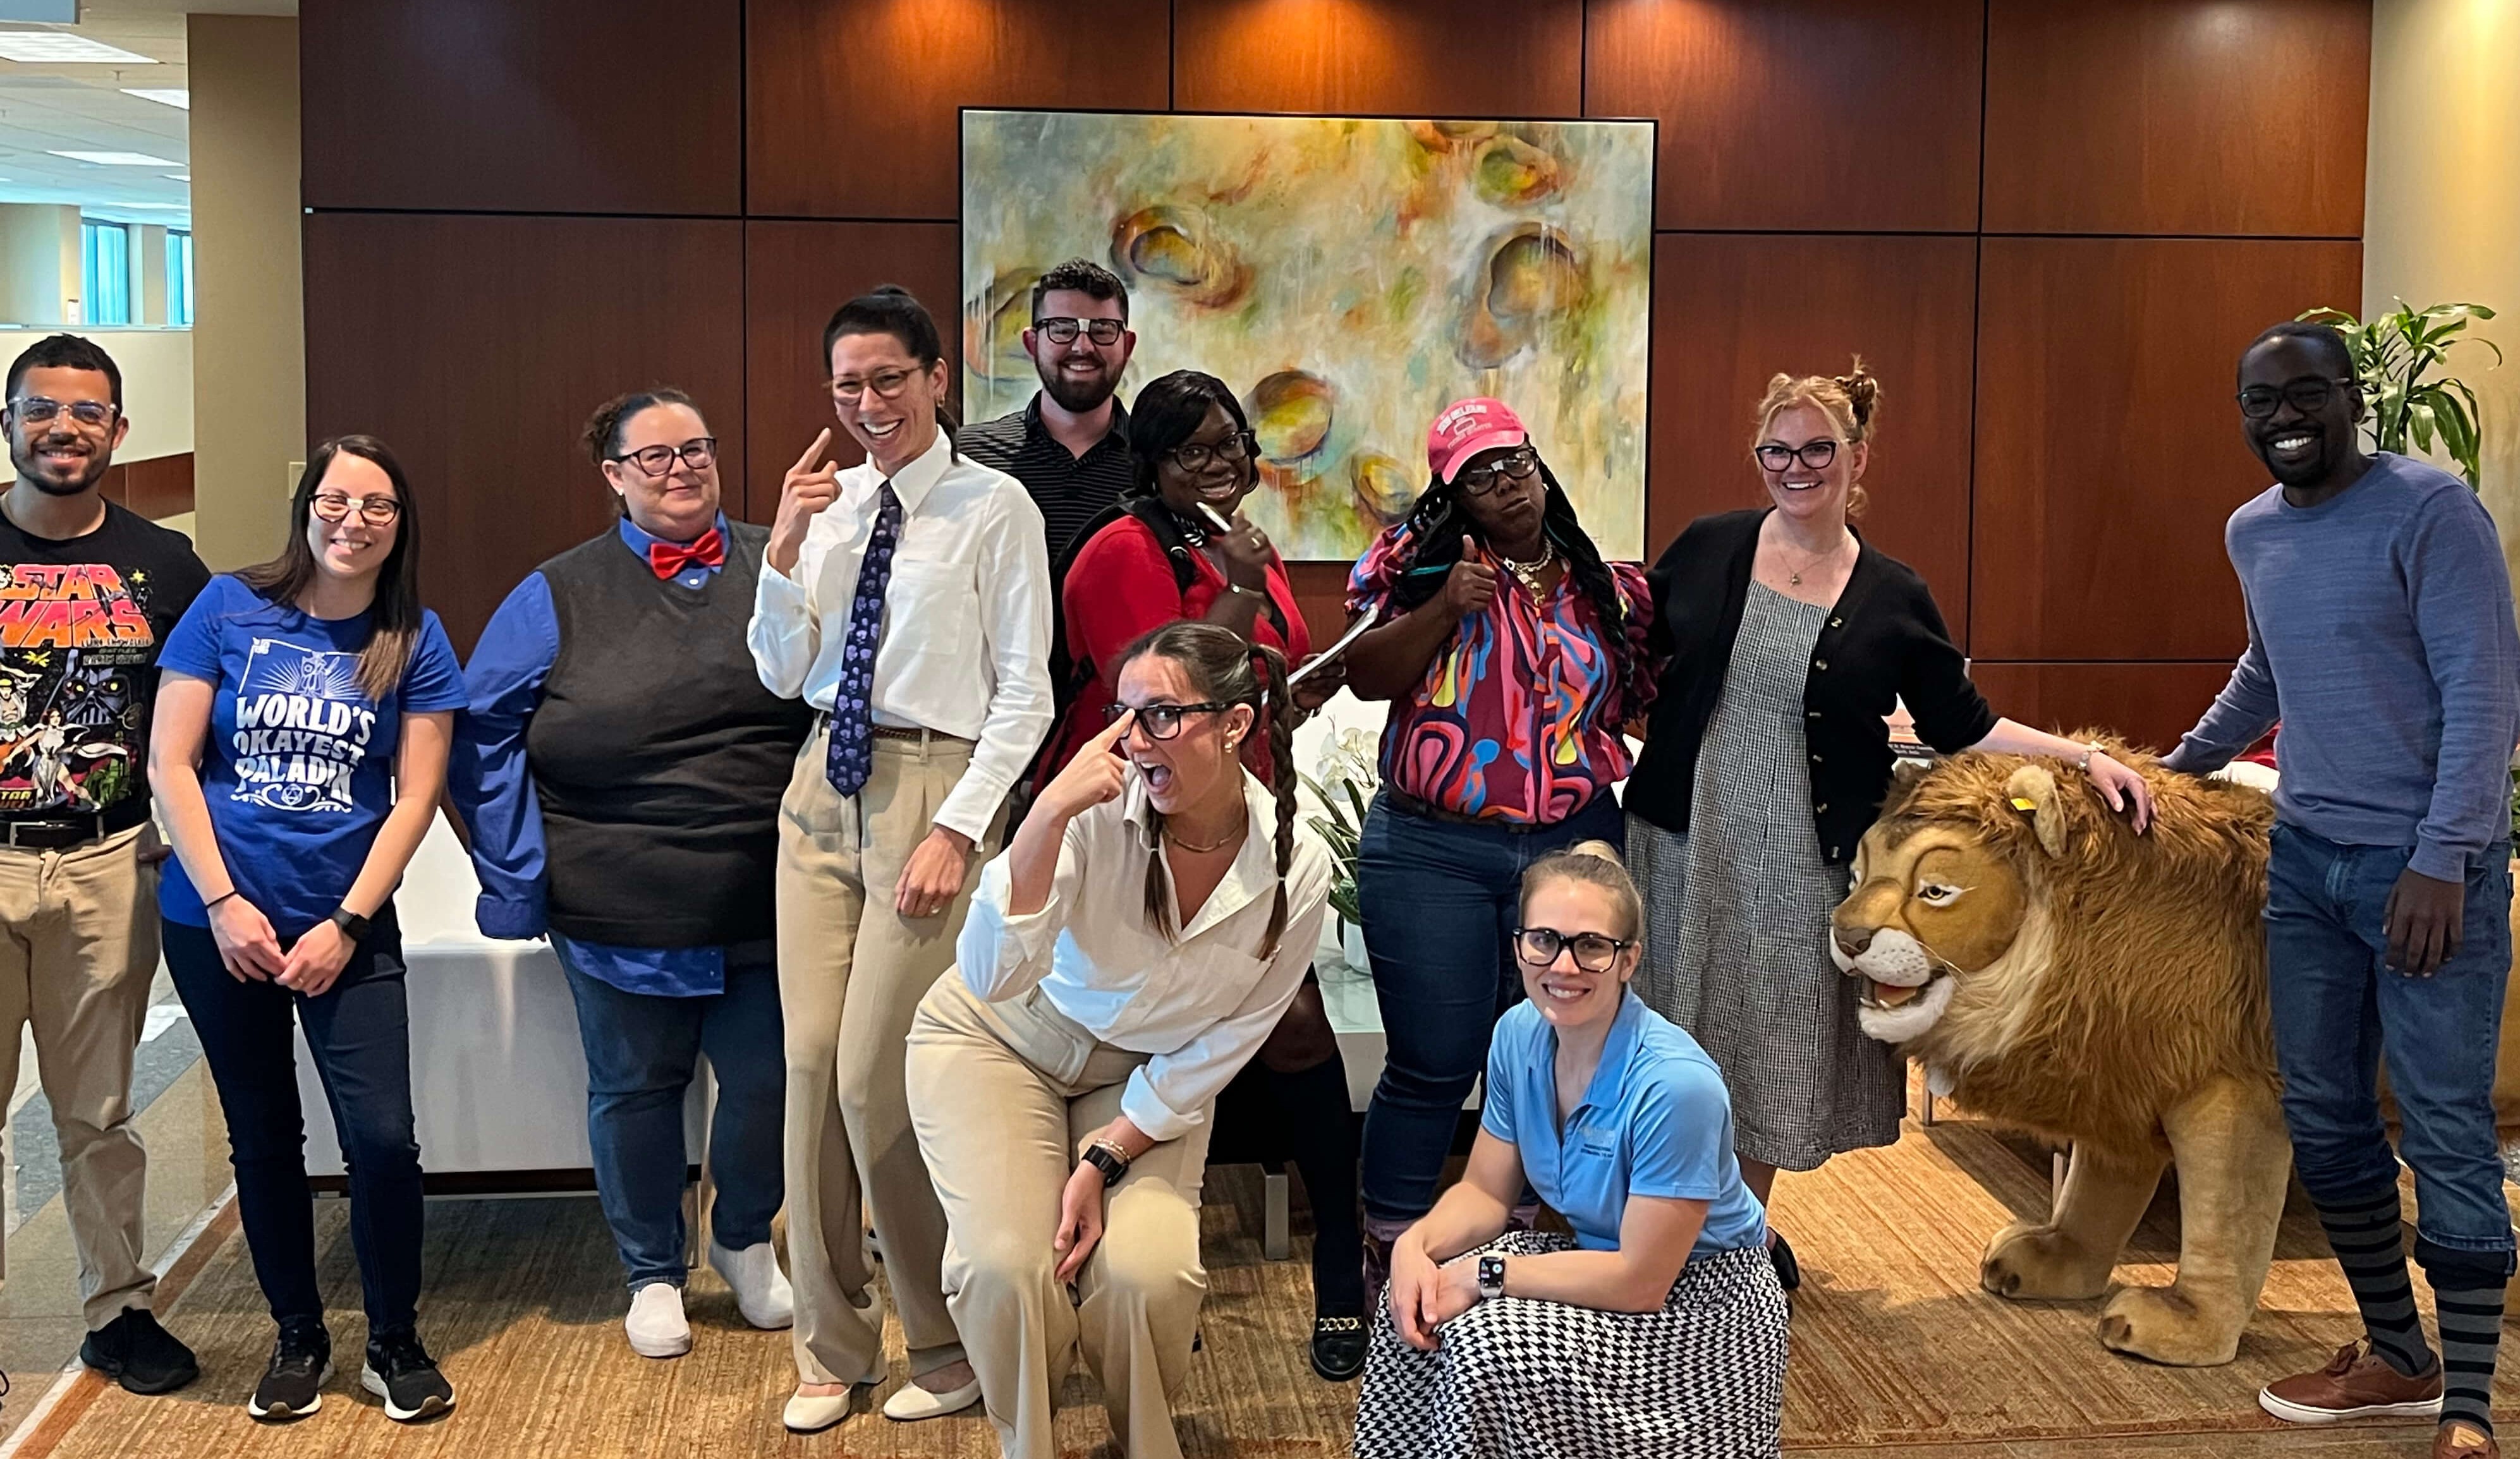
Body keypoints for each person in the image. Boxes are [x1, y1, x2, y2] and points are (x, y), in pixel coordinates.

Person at [1622, 362, 2153, 1288]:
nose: (1795, 467)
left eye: (1816, 449)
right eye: (1777, 450)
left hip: (1804, 855)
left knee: (1772, 1041)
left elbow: (1962, 723)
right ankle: (1677, 1233)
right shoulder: (1707, 545)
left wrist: (2081, 757)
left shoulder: (1893, 594)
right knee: (1672, 1034)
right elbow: (1627, 651)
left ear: (1856, 457)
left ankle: (1732, 1243)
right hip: (1683, 840)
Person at [2161, 322, 2519, 1459]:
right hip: (2305, 865)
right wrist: (2172, 771)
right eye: (2259, 401)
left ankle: (2467, 1402)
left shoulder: (2431, 512)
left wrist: (2442, 856)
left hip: (2426, 875)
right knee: (2320, 1116)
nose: (2283, 417)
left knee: (2445, 1126)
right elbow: (2265, 670)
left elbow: (2483, 691)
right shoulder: (2252, 530)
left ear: (2352, 396)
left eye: (2305, 393)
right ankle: (2395, 1355)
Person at [904, 620, 1331, 1459]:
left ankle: (1146, 1444)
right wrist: (1047, 812)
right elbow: (991, 974)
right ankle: (1026, 1444)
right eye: (1123, 714)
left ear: (1234, 725)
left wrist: (1105, 1158)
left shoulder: (1296, 863)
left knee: (1147, 1273)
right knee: (1006, 1267)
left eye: (1161, 715)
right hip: (997, 1040)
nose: (1133, 740)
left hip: (1147, 1075)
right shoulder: (1091, 814)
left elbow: (1232, 1036)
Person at [748, 284, 1054, 1432]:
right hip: (820, 781)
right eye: (848, 385)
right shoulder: (828, 507)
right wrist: (782, 552)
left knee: (877, 1077)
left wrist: (961, 825)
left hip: (935, 783)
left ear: (935, 379)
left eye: (888, 379)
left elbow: (1025, 693)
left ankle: (941, 1334)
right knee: (807, 1066)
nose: (869, 403)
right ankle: (831, 1344)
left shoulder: (994, 506)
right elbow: (783, 671)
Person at [453, 389, 812, 1360]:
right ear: (612, 475)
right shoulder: (555, 592)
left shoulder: (782, 559)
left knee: (769, 1079)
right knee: (635, 1087)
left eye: (694, 448)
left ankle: (744, 1239)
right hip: (615, 897)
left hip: (770, 893)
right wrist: (514, 874)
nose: (680, 468)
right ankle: (651, 1270)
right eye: (653, 456)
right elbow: (481, 737)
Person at [1044, 369, 1367, 1378]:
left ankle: (1340, 1270)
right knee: (1182, 1028)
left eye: (1231, 444)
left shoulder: (1235, 544)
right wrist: (1238, 585)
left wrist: (1296, 689)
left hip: (1242, 820)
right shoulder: (1121, 550)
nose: (1221, 463)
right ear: (1149, 462)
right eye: (1193, 449)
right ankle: (1140, 1285)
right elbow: (1149, 693)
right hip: (1132, 829)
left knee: (1295, 1031)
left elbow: (1258, 677)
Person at [147, 436, 465, 1423]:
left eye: (377, 505)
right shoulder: (228, 606)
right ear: (306, 507)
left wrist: (346, 922)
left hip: (346, 925)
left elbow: (415, 798)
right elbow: (170, 764)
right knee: (263, 1137)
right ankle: (297, 1335)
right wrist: (223, 902)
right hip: (217, 925)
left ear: (400, 525)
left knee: (382, 1140)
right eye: (335, 499)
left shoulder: (413, 637)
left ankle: (393, 1339)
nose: (352, 520)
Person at [1342, 397, 1659, 1286]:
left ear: (1538, 466)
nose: (1505, 484)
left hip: (1571, 847)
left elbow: (1645, 698)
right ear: (1453, 494)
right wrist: (1444, 606)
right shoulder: (1414, 566)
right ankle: (1390, 1259)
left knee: (1548, 1058)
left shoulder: (1606, 585)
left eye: (1514, 462)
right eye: (1479, 475)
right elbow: (1364, 674)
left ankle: (1509, 1261)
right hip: (1432, 849)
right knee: (1433, 1062)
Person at [1353, 842, 1784, 1458]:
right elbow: (1485, 1193)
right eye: (1544, 940)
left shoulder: (1676, 1085)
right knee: (1421, 1306)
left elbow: (1642, 1280)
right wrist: (1414, 1247)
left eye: (1591, 946)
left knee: (1486, 1340)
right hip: (1603, 1263)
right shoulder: (1517, 1034)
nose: (1563, 964)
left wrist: (1483, 1273)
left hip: (1703, 1306)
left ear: (1628, 959)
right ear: (1519, 946)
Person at [0, 334, 208, 1395]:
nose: (64, 428)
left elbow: (202, 718)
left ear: (118, 430)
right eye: (42, 408)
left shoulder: (166, 564)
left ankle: (118, 1311)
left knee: (99, 1113)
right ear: (8, 423)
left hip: (107, 861)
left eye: (87, 412)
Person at [961, 258, 1139, 560]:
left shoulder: (1159, 462)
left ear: (1127, 346)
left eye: (1103, 330)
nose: (1083, 347)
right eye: (1062, 329)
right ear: (1032, 344)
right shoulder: (969, 455)